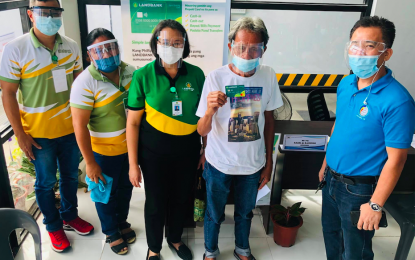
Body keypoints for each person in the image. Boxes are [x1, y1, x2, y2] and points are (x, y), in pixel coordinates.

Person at [0, 0, 94, 253]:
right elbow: (8, 93)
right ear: (30, 14)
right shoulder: (15, 49)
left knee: (71, 177)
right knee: (44, 183)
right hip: (38, 135)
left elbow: (80, 87)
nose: (50, 16)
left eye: (55, 11)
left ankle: (69, 216)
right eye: (44, 11)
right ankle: (53, 226)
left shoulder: (72, 46)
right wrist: (19, 134)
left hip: (71, 130)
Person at [319, 16, 415, 259]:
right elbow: (338, 126)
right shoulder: (346, 83)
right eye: (354, 44)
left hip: (359, 190)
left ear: (386, 53)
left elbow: (397, 159)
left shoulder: (398, 100)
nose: (359, 52)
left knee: (355, 251)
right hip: (331, 180)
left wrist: (375, 205)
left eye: (369, 45)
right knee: (331, 237)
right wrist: (325, 164)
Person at [196, 17, 283, 260]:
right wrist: (211, 110)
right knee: (214, 213)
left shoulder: (268, 76)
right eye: (241, 47)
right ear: (230, 46)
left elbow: (269, 121)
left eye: (254, 48)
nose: (246, 54)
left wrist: (269, 161)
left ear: (264, 49)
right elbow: (201, 130)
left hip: (252, 164)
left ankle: (242, 248)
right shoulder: (215, 78)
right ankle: (210, 251)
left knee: (245, 213)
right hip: (218, 163)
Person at [126, 20, 206, 260]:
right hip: (153, 153)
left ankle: (175, 238)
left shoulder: (197, 74)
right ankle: (154, 247)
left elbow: (205, 116)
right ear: (155, 43)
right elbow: (132, 123)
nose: (171, 46)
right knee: (156, 202)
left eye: (177, 42)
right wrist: (133, 164)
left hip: (188, 150)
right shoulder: (142, 76)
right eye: (165, 41)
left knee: (182, 198)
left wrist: (204, 149)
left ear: (185, 45)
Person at [70, 28, 136, 255]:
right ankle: (110, 230)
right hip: (102, 153)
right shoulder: (85, 82)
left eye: (111, 47)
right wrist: (90, 162)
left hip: (129, 150)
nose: (107, 54)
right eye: (100, 50)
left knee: (126, 188)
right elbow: (79, 126)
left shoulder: (130, 72)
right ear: (90, 55)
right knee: (105, 193)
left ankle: (121, 221)